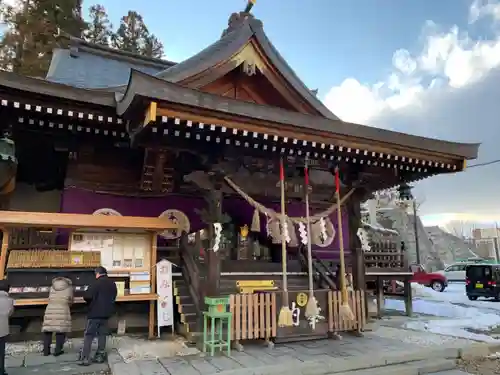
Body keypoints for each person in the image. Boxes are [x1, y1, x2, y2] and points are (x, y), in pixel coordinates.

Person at [79, 266, 117, 366]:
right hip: (106, 313)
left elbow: (87, 296)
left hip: (94, 313)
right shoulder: (112, 283)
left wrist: (90, 303)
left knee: (89, 335)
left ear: (97, 274)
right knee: (102, 335)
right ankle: (100, 356)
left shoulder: (95, 283)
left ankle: (85, 358)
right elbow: (114, 296)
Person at [41, 277, 73, 356]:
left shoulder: (52, 287)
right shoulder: (69, 287)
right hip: (63, 308)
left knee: (48, 330)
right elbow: (71, 300)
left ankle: (46, 351)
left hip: (50, 308)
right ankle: (58, 350)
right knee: (61, 331)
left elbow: (50, 297)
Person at [0, 280, 13, 375]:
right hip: (2, 330)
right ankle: (1, 371)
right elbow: (10, 313)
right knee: (1, 352)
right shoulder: (9, 301)